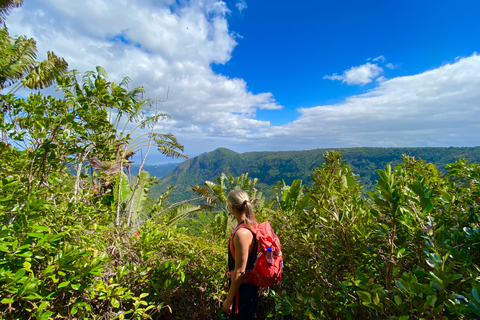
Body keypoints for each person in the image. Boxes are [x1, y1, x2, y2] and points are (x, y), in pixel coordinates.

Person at [222, 190, 259, 319]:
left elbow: (239, 271)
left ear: (232, 207)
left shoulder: (242, 233)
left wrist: (229, 299)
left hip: (243, 292)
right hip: (249, 289)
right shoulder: (252, 227)